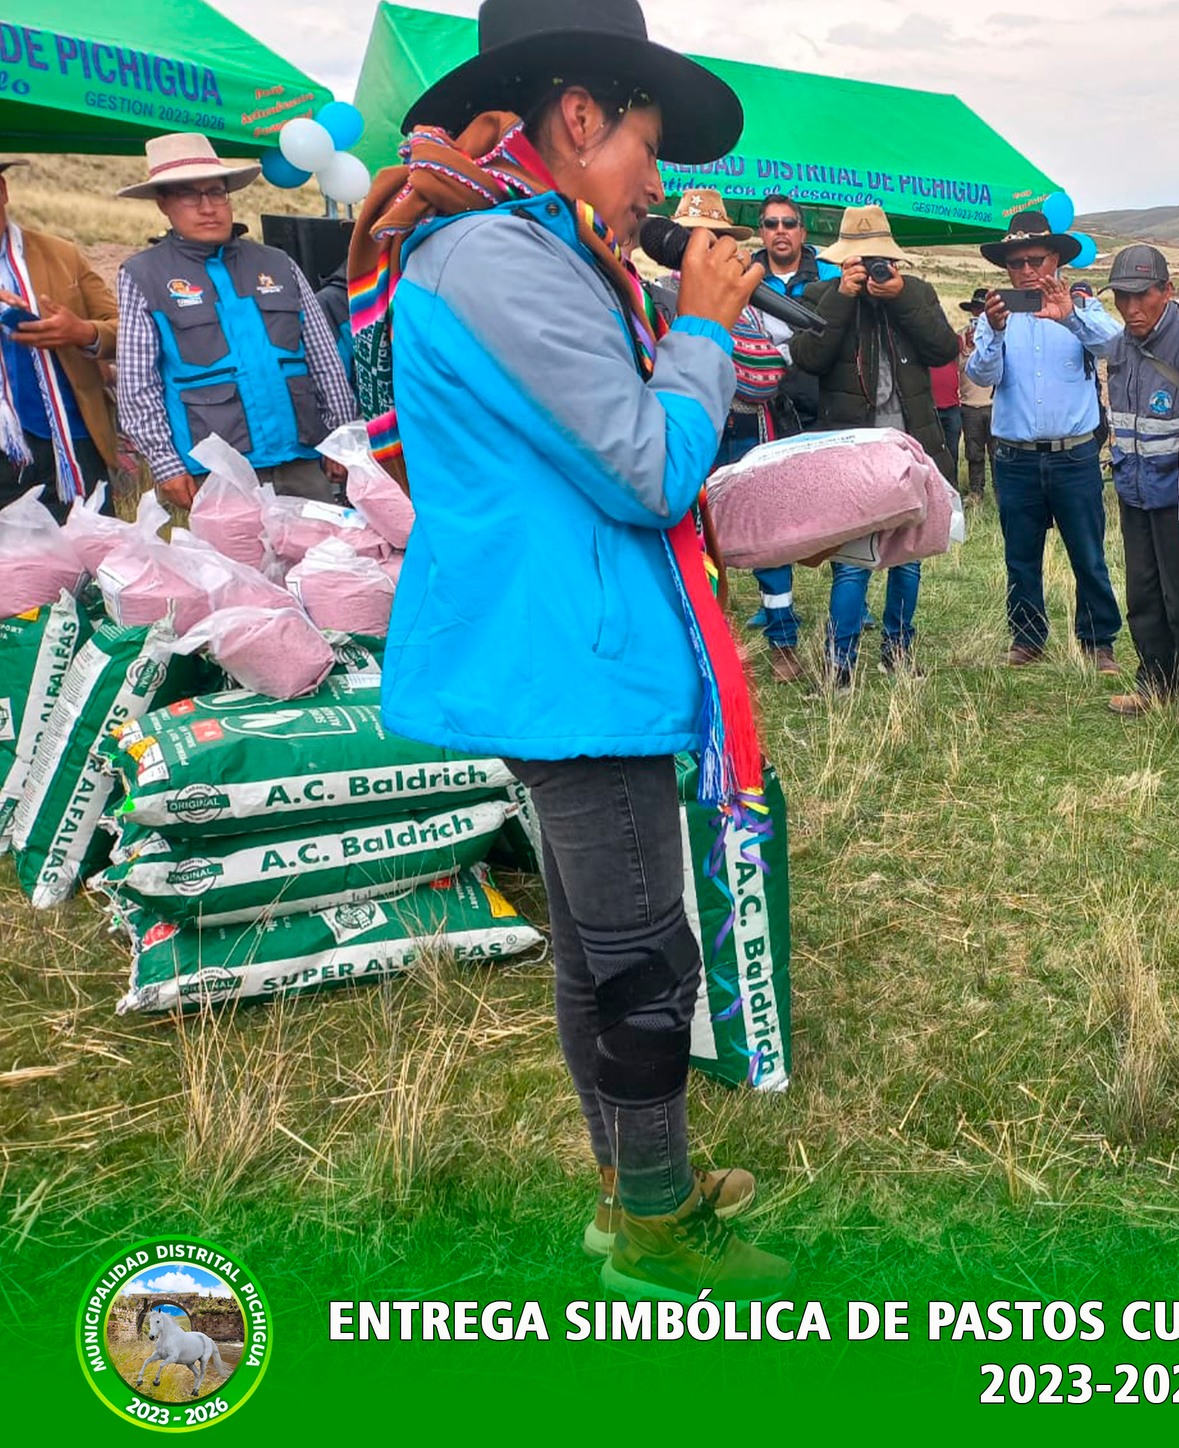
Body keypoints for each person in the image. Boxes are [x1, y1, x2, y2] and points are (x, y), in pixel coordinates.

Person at [355, 0, 790, 1300]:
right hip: (569, 661)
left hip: (569, 645)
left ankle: (630, 1187)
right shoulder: (500, 259)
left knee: (603, 946)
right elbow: (648, 466)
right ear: (582, 118)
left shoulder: (530, 248)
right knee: (645, 954)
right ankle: (653, 1230)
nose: (662, 184)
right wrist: (705, 329)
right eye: (647, 145)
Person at [115, 133, 355, 506]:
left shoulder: (278, 263)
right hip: (216, 469)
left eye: (215, 192)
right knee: (233, 565)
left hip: (303, 461)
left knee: (322, 560)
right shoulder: (142, 275)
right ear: (164, 204)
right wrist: (166, 465)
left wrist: (340, 436)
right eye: (189, 195)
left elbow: (323, 360)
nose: (207, 206)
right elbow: (137, 384)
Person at [790, 204, 957, 683]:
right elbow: (808, 358)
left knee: (908, 558)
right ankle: (838, 662)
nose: (870, 267)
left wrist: (901, 297)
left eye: (876, 258)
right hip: (854, 450)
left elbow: (943, 350)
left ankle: (898, 653)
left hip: (911, 446)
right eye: (860, 260)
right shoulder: (822, 293)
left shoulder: (916, 291)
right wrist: (842, 298)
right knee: (852, 561)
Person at [965, 211, 1124, 671]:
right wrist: (992, 333)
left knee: (1089, 553)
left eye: (1036, 259)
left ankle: (1098, 641)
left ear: (1055, 259)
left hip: (1073, 454)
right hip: (1014, 457)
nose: (1028, 270)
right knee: (1020, 554)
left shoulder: (1082, 306)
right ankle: (1027, 636)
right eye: (1017, 263)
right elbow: (982, 374)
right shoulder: (996, 316)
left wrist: (1072, 319)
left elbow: (1116, 347)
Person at [661, 191, 807, 684]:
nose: (709, 248)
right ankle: (709, 646)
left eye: (718, 238)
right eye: (697, 239)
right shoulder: (657, 294)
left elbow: (767, 371)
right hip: (693, 429)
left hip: (747, 426)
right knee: (693, 539)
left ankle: (782, 641)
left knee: (769, 537)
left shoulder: (747, 303)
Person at [1103, 244, 1179, 726]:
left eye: (1141, 296)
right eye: (1122, 298)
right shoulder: (1122, 343)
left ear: (1166, 291)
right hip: (1133, 488)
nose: (1131, 308)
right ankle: (1156, 680)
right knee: (1143, 592)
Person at [744, 193, 841, 647]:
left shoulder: (830, 276)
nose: (779, 231)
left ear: (803, 231)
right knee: (770, 509)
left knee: (836, 504)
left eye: (788, 223)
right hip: (765, 410)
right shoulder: (743, 276)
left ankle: (850, 598)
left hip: (823, 405)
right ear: (761, 231)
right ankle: (775, 605)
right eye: (770, 224)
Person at [0, 157, 117, 516]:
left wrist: (80, 331)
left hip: (70, 441)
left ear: (3, 191)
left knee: (94, 561)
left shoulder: (61, 254)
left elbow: (121, 326)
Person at [956, 288, 995, 499]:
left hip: (993, 403)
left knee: (999, 453)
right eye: (976, 309)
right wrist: (967, 351)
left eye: (983, 310)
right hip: (970, 405)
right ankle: (976, 492)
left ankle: (1002, 493)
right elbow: (955, 370)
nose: (979, 314)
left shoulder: (997, 336)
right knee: (974, 453)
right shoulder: (960, 338)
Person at [930, 342, 963, 482]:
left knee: (952, 452)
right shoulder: (923, 342)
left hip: (952, 407)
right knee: (932, 454)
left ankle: (952, 487)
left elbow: (959, 345)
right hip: (931, 408)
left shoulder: (950, 342)